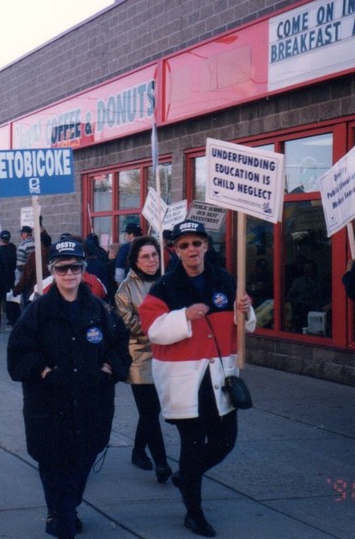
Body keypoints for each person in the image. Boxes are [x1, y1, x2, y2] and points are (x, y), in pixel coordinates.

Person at [138, 219, 255, 538]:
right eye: (184, 245)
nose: (192, 249)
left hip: (219, 375)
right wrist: (183, 317)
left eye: (197, 243)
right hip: (184, 378)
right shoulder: (164, 287)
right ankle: (194, 512)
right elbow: (153, 331)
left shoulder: (226, 280)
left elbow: (245, 326)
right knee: (192, 445)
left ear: (206, 246)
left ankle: (186, 477)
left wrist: (244, 310)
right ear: (175, 250)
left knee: (225, 441)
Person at [7, 239, 130, 539]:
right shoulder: (38, 311)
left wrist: (110, 367)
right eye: (62, 268)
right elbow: (19, 352)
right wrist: (44, 371)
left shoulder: (100, 309)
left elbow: (121, 345)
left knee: (83, 460)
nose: (69, 273)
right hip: (49, 406)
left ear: (83, 269)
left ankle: (65, 508)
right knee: (54, 465)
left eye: (75, 266)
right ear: (53, 271)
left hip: (91, 404)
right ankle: (62, 516)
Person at [115, 236, 171, 482]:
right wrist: (161, 328)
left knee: (152, 410)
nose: (152, 260)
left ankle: (138, 450)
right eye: (146, 256)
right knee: (149, 410)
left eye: (155, 255)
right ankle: (161, 462)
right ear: (135, 261)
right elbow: (127, 322)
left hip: (167, 353)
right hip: (139, 355)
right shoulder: (125, 289)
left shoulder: (168, 281)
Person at [0, 230, 18, 333]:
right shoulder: (13, 252)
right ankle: (14, 324)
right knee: (10, 303)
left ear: (1, 239)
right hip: (9, 280)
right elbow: (14, 266)